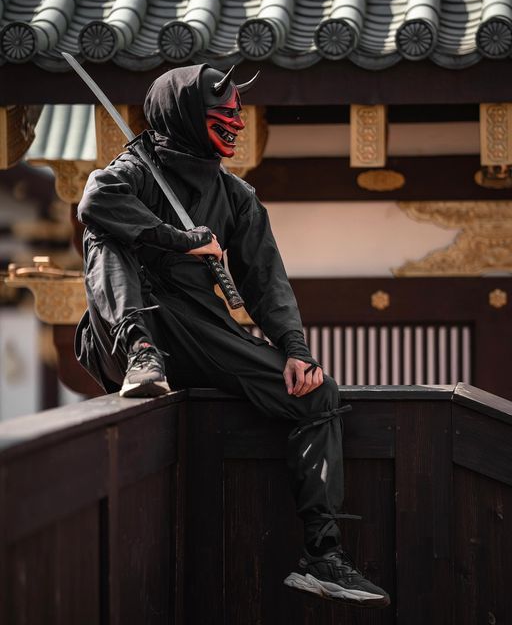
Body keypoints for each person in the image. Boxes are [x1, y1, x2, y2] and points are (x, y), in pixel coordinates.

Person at [75, 64, 390, 608]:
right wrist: (179, 239)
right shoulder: (130, 172)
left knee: (318, 395)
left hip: (200, 334)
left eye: (237, 113)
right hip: (126, 335)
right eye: (222, 112)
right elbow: (94, 203)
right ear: (184, 114)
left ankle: (323, 555)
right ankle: (141, 353)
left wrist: (295, 351)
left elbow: (267, 282)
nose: (236, 123)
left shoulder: (236, 196)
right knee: (106, 235)